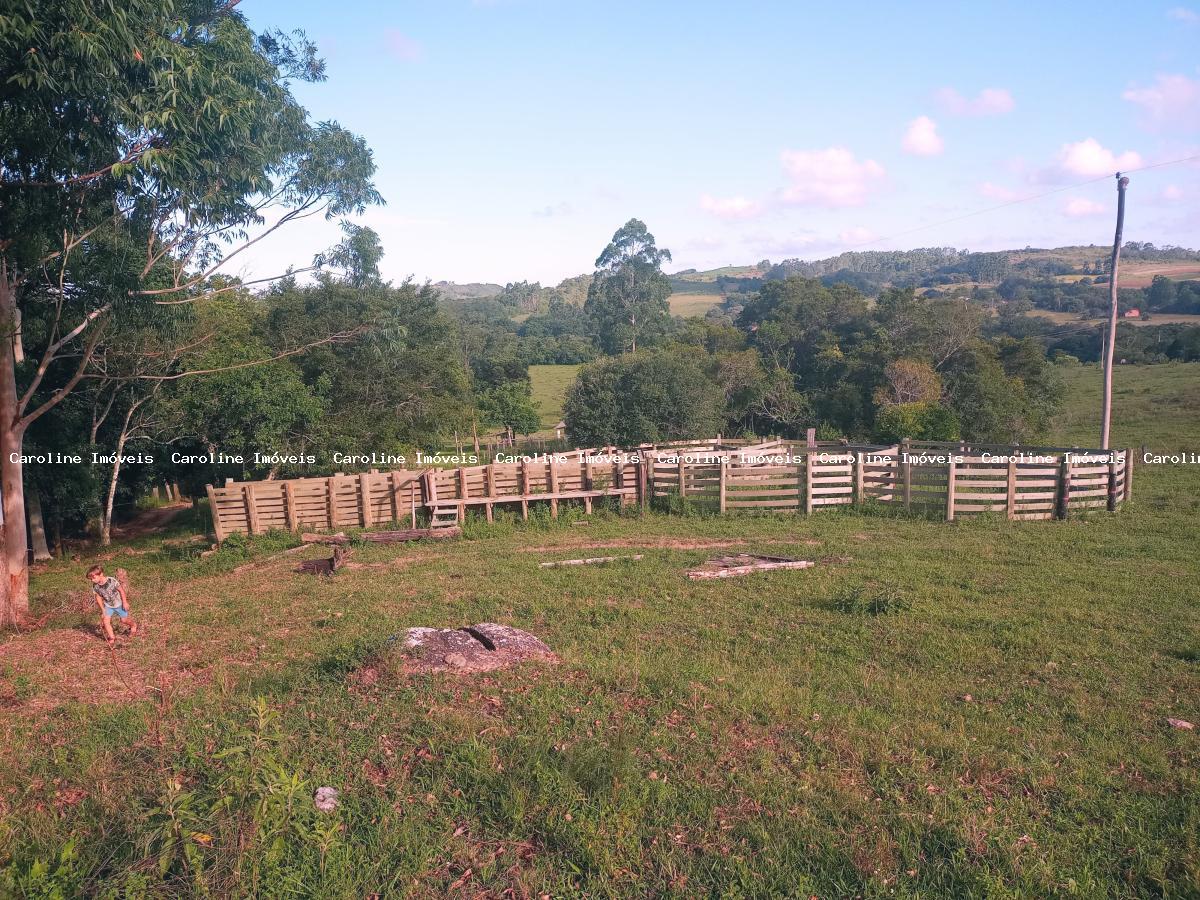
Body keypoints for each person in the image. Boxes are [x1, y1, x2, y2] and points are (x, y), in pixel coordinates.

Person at [87, 565, 138, 646]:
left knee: (123, 620)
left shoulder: (111, 581)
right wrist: (103, 609)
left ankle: (133, 625)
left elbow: (121, 591)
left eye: (93, 578)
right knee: (105, 621)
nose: (92, 580)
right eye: (91, 579)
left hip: (119, 604)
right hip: (108, 605)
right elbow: (98, 597)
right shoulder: (95, 586)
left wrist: (125, 602)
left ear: (101, 574)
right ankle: (112, 637)